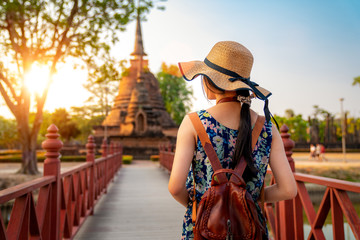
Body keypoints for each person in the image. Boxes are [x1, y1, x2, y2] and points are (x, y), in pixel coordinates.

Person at [168, 41, 297, 239]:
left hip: (204, 230)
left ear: (210, 81)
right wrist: (248, 199)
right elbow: (288, 190)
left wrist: (204, 205)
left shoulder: (193, 122)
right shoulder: (268, 127)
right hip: (249, 229)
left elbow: (176, 187)